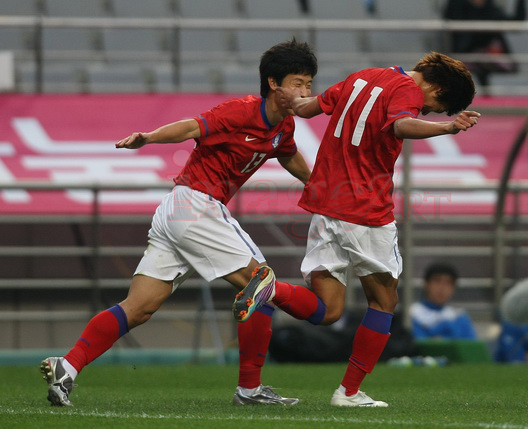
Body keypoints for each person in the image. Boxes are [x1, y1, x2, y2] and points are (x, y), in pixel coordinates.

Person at [39, 39, 324, 407]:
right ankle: (249, 390)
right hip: (195, 206)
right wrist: (149, 138)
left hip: (179, 213)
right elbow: (192, 127)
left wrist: (317, 184)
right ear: (273, 83)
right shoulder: (241, 111)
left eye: (309, 84)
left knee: (139, 307)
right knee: (261, 285)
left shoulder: (284, 126)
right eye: (298, 83)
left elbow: (288, 155)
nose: (306, 92)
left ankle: (68, 366)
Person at [233, 52, 479, 407]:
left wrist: (288, 97)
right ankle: (348, 392)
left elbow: (305, 109)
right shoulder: (407, 90)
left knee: (328, 309)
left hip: (325, 205)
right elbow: (401, 125)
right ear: (437, 88)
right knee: (384, 301)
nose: (425, 112)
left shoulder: (362, 76)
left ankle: (272, 288)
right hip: (365, 208)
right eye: (434, 107)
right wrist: (447, 127)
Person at [443, 0, 527, 88]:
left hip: (489, 56)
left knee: (494, 62)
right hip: (465, 55)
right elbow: (448, 19)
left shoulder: (491, 10)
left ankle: (486, 89)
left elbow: (516, 22)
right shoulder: (458, 7)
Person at [410, 262, 477, 340]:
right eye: (437, 281)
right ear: (426, 284)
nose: (442, 288)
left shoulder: (458, 319)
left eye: (448, 283)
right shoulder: (411, 315)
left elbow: (472, 345)